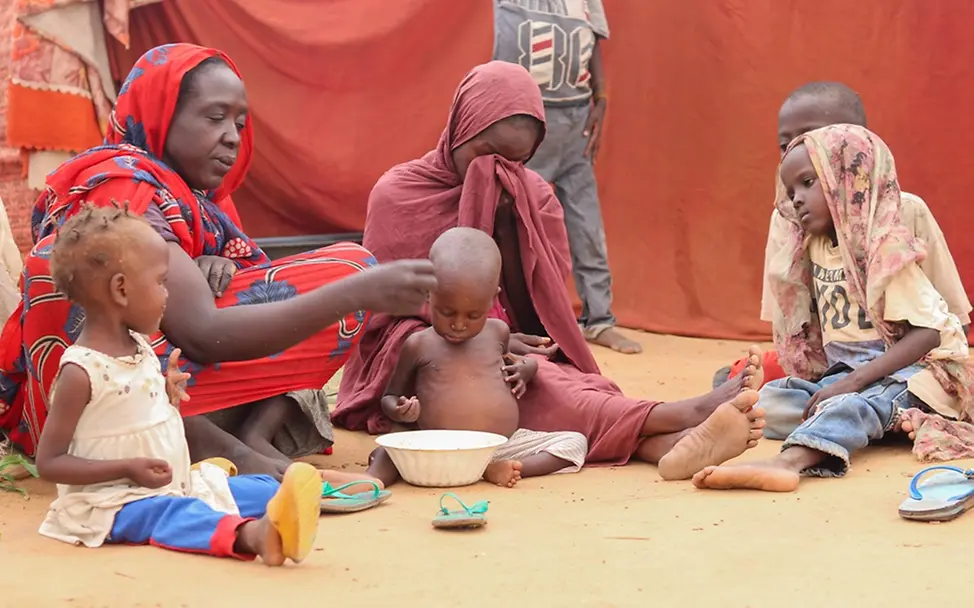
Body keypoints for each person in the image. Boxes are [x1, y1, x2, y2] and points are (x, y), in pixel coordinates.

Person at [0, 44, 437, 477]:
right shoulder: (125, 190)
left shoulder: (198, 203)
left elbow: (232, 290)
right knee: (347, 272)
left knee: (303, 309)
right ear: (161, 114)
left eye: (240, 123)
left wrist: (205, 261)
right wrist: (358, 291)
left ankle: (248, 438)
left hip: (168, 386)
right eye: (214, 117)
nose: (232, 135)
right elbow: (203, 333)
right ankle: (228, 450)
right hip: (89, 413)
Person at [334, 61, 767, 482]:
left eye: (516, 160)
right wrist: (467, 328)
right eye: (486, 156)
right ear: (459, 129)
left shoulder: (535, 195)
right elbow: (383, 309)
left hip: (504, 342)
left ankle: (667, 445)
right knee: (500, 376)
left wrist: (509, 226)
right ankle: (677, 417)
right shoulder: (401, 192)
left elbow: (542, 312)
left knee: (556, 383)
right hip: (422, 347)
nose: (498, 171)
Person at [693, 125, 973, 493]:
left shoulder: (885, 249)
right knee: (770, 398)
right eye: (791, 191)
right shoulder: (814, 247)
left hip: (916, 373)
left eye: (808, 183)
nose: (796, 199)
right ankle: (693, 433)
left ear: (849, 181)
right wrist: (838, 381)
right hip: (849, 375)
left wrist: (852, 383)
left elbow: (929, 334)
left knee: (853, 404)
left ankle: (788, 462)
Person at [35, 206, 320, 565]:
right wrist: (126, 468)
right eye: (160, 282)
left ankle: (283, 505)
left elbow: (131, 415)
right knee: (173, 516)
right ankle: (253, 536)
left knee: (261, 487)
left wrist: (166, 396)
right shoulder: (81, 371)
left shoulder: (140, 346)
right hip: (115, 503)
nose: (168, 293)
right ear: (121, 289)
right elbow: (50, 463)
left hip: (175, 484)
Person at [714, 82, 971, 391]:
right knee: (763, 388)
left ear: (858, 145)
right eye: (786, 145)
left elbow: (952, 316)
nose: (798, 150)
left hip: (901, 362)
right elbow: (787, 324)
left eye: (817, 138)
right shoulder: (788, 220)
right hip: (828, 365)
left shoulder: (907, 211)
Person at [369, 227, 588, 488]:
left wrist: (527, 369)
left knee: (575, 442)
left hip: (501, 446)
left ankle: (502, 468)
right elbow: (389, 398)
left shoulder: (498, 332)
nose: (459, 324)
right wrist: (402, 410)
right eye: (447, 312)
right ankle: (371, 482)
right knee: (391, 446)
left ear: (492, 300)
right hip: (439, 446)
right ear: (428, 292)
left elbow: (511, 363)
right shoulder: (419, 344)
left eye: (473, 315)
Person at [492, 0, 640, 354]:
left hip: (576, 123)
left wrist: (601, 98)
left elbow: (593, 45)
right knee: (519, 224)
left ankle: (599, 319)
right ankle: (517, 318)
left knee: (587, 226)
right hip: (526, 119)